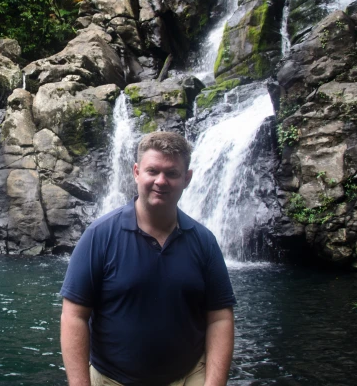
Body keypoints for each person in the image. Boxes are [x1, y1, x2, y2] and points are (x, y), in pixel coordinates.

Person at [60, 131, 236, 386]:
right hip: (111, 380)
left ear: (187, 178)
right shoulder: (99, 235)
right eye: (152, 171)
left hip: (189, 377)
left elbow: (220, 318)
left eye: (172, 173)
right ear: (136, 172)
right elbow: (73, 316)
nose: (161, 181)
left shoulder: (204, 241)